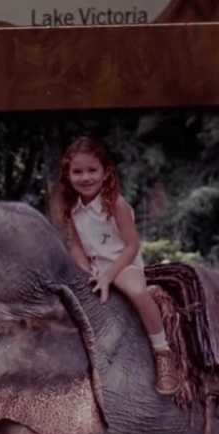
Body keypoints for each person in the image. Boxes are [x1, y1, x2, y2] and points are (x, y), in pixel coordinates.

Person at [57, 136, 180, 395]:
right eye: (77, 171)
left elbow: (132, 246)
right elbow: (76, 245)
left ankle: (162, 351)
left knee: (136, 292)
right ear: (68, 174)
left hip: (122, 264)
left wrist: (109, 275)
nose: (85, 177)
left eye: (92, 170)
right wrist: (83, 270)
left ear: (105, 172)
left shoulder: (116, 204)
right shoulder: (71, 207)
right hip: (94, 267)